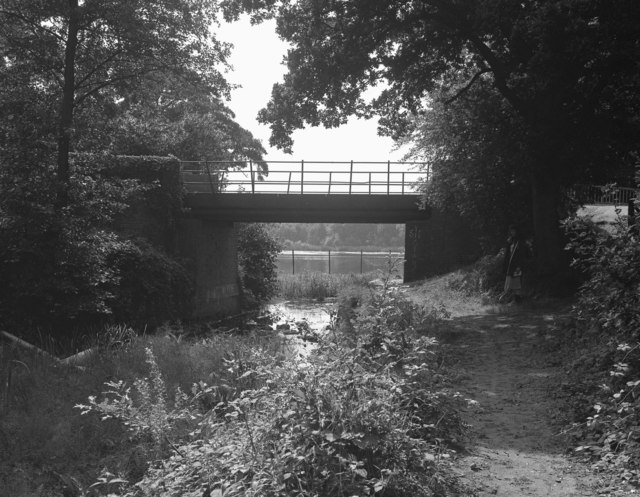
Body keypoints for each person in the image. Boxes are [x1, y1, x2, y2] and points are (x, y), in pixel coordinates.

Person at [501, 224, 528, 303]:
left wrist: (519, 265)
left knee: (517, 283)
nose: (512, 232)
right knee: (510, 282)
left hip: (517, 266)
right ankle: (513, 300)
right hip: (511, 266)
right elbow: (508, 254)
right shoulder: (510, 240)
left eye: (514, 231)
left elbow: (522, 255)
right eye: (511, 231)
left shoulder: (520, 241)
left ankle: (518, 301)